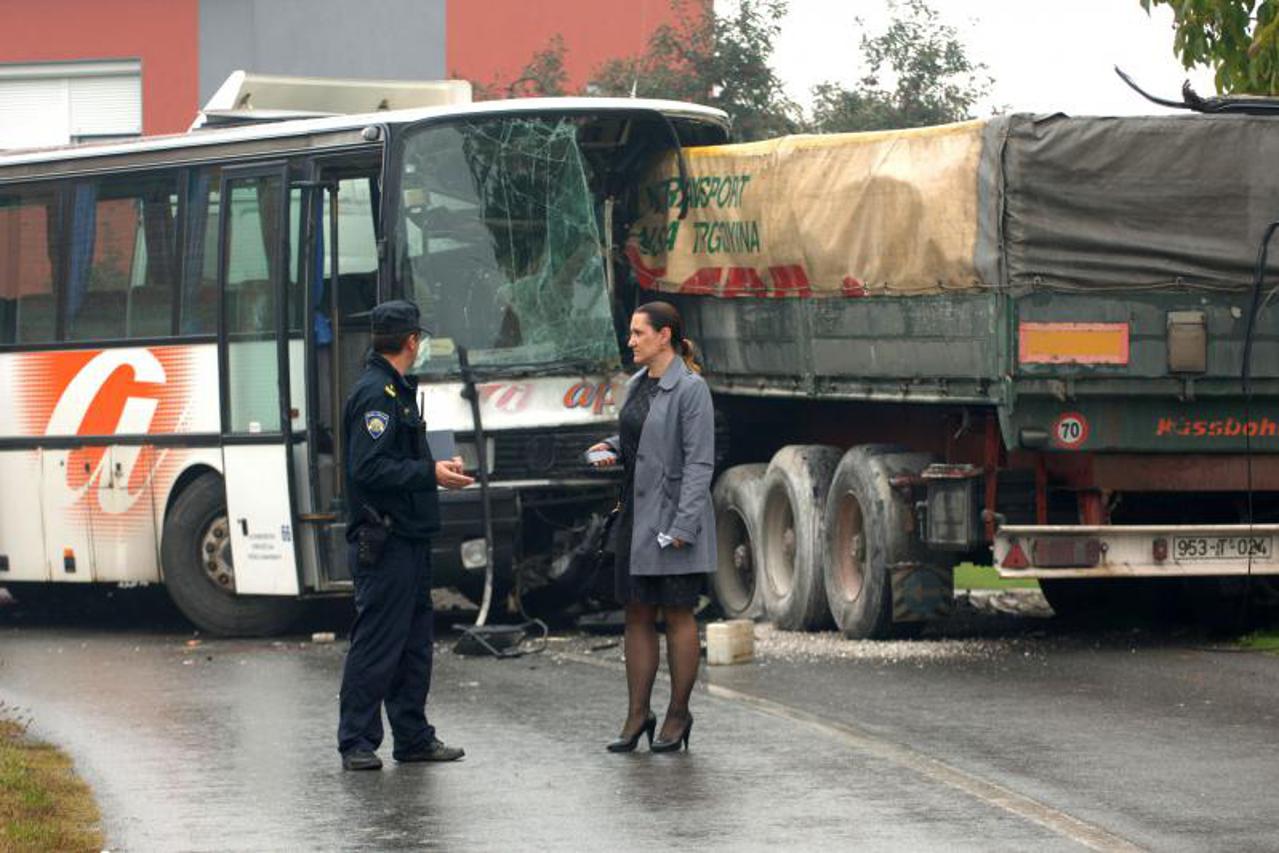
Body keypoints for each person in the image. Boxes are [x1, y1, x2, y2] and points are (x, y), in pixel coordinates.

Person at [338, 299, 475, 771]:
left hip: (410, 536)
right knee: (377, 644)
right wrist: (429, 473)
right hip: (385, 538)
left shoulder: (394, 390)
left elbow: (400, 459)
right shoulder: (377, 394)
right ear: (412, 341)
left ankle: (412, 736)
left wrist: (435, 468)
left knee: (414, 645)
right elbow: (368, 466)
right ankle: (356, 740)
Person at [587, 300, 716, 753]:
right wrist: (606, 448)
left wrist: (684, 523)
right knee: (637, 613)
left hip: (674, 520)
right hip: (636, 518)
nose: (631, 341)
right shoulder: (638, 383)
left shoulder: (692, 388)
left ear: (665, 336)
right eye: (631, 332)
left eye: (638, 333)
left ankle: (678, 714)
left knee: (678, 613)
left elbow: (700, 461)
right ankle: (637, 714)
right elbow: (633, 441)